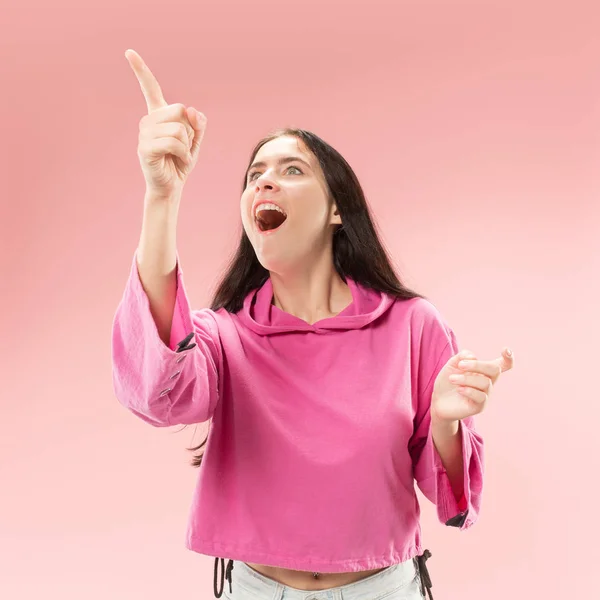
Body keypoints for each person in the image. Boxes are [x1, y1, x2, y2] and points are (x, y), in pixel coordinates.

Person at [111, 49, 515, 600]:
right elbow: (157, 392)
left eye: (291, 170)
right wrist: (163, 196)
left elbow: (450, 497)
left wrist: (444, 420)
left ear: (335, 210)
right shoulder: (223, 336)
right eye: (254, 175)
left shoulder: (413, 326)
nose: (264, 184)